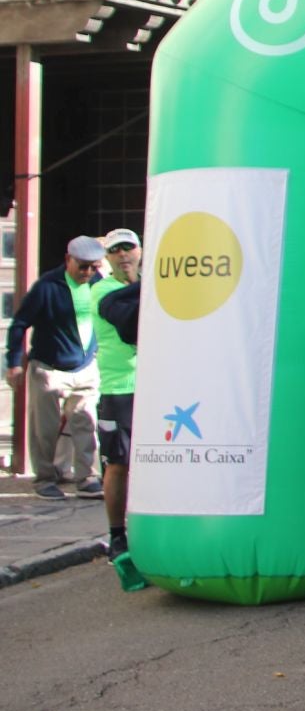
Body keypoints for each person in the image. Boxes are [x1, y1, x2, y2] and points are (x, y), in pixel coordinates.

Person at [6, 236, 105, 501]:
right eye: (82, 266)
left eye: (93, 267)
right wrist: (14, 362)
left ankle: (87, 477)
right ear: (68, 260)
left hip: (85, 366)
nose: (87, 272)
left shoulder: (98, 284)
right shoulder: (47, 286)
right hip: (49, 367)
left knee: (86, 424)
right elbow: (19, 324)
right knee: (45, 429)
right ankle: (45, 479)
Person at [91, 229, 141, 552]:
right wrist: (152, 285)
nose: (122, 254)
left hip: (154, 389)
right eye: (115, 250)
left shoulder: (147, 284)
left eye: (128, 247)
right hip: (119, 390)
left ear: (139, 251)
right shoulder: (102, 289)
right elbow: (129, 325)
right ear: (107, 258)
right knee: (118, 465)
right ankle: (117, 536)